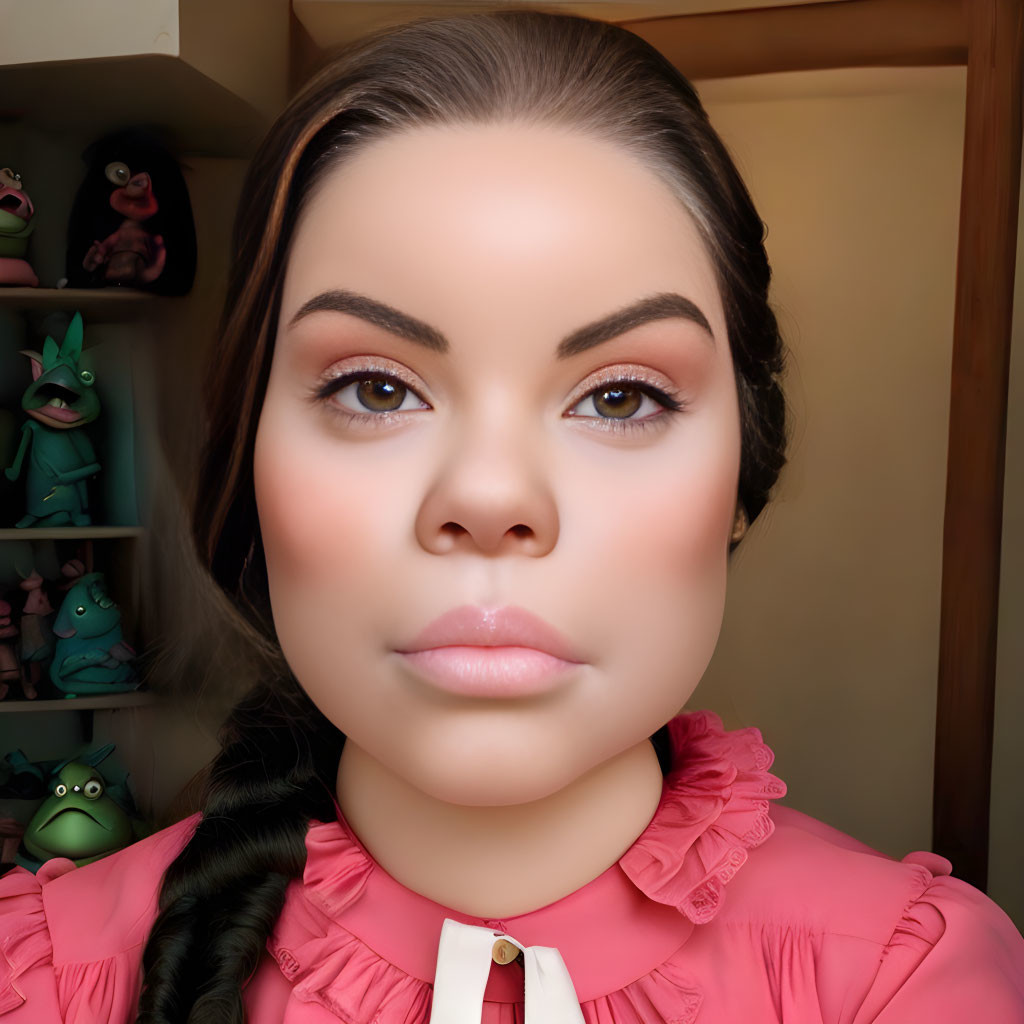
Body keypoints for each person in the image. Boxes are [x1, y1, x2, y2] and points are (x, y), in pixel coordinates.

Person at [2, 9, 1023, 1023]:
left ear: (740, 485)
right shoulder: (39, 982)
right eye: (376, 389)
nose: (490, 500)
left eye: (620, 396)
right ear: (248, 459)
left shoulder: (909, 981)